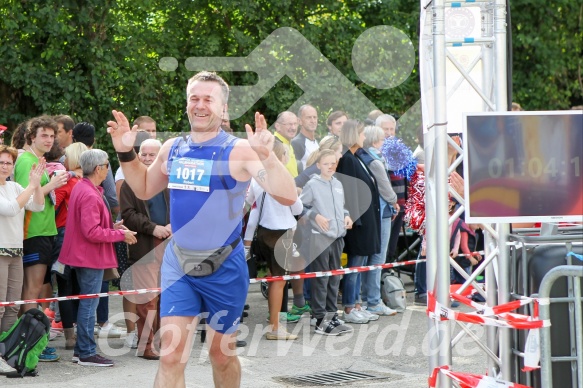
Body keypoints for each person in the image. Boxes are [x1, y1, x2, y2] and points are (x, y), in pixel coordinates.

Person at [107, 71, 297, 387]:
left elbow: (287, 194)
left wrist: (268, 157)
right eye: (194, 98)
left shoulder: (239, 150)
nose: (200, 105)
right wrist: (125, 151)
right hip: (179, 264)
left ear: (223, 108)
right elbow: (141, 187)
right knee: (170, 356)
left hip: (224, 266)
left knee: (221, 355)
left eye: (208, 99)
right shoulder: (172, 148)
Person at [58, 149, 137, 367]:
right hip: (89, 257)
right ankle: (86, 352)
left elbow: (89, 227)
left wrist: (111, 227)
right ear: (98, 168)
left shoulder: (85, 188)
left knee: (87, 304)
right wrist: (121, 234)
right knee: (89, 305)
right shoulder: (90, 193)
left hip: (85, 255)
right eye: (107, 165)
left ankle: (81, 351)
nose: (108, 169)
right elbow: (91, 232)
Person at [246, 141, 303, 339]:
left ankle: (274, 324)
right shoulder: (285, 180)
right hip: (282, 234)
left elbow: (249, 204)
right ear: (281, 157)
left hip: (262, 232)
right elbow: (298, 209)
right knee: (279, 281)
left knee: (273, 279)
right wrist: (297, 193)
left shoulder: (257, 178)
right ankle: (275, 327)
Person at [120, 138, 170, 360]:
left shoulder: (170, 180)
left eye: (153, 155)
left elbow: (183, 207)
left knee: (166, 297)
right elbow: (128, 215)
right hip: (146, 246)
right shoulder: (129, 182)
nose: (148, 158)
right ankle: (146, 345)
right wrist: (154, 228)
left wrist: (172, 226)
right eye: (144, 154)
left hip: (171, 245)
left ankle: (160, 341)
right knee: (147, 299)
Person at [0, 145, 45, 374]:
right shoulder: (15, 189)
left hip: (16, 252)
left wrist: (35, 187)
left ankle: (7, 352)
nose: (5, 166)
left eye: (8, 163)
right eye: (1, 162)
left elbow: (37, 205)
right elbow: (10, 208)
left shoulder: (15, 186)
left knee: (11, 306)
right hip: (0, 252)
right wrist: (32, 186)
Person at [299, 149, 354, 335]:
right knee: (321, 278)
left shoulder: (338, 184)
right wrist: (316, 216)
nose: (330, 166)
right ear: (318, 165)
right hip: (320, 237)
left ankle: (332, 316)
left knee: (334, 277)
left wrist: (347, 216)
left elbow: (342, 207)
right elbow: (300, 206)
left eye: (333, 163)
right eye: (326, 163)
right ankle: (320, 319)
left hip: (338, 237)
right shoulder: (313, 185)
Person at [335, 120, 381, 324]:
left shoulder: (356, 157)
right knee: (354, 266)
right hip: (358, 223)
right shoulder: (347, 159)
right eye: (362, 133)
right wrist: (356, 220)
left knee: (360, 265)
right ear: (354, 134)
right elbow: (350, 193)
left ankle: (357, 304)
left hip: (367, 220)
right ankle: (348, 307)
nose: (364, 137)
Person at [52, 142, 88, 350]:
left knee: (64, 287)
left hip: (64, 238)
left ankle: (69, 336)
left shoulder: (66, 181)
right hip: (84, 239)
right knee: (85, 287)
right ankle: (83, 333)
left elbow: (52, 206)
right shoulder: (91, 183)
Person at [360, 125, 399, 316]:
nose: (386, 142)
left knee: (371, 258)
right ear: (375, 141)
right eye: (383, 139)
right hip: (382, 212)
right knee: (378, 257)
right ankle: (373, 301)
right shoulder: (375, 161)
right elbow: (386, 188)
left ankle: (368, 299)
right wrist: (395, 202)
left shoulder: (366, 157)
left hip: (374, 212)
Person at [291, 104, 319, 173]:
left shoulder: (317, 142)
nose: (313, 121)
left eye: (314, 117)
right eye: (309, 117)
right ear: (299, 121)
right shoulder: (296, 143)